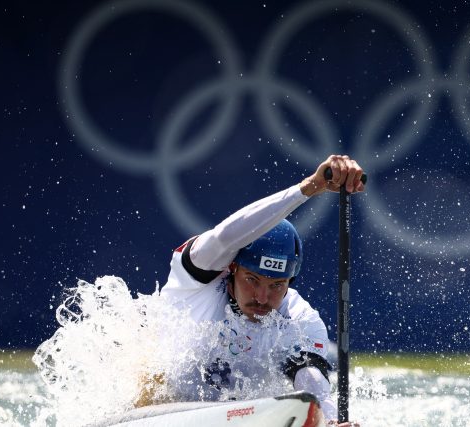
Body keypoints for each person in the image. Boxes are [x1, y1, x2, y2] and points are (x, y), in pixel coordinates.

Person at [137, 155, 364, 426]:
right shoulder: (197, 278)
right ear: (233, 267)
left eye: (276, 285)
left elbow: (311, 381)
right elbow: (226, 235)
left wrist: (328, 420)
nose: (262, 297)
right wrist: (308, 188)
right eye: (252, 279)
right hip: (155, 406)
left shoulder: (301, 320)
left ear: (290, 282)